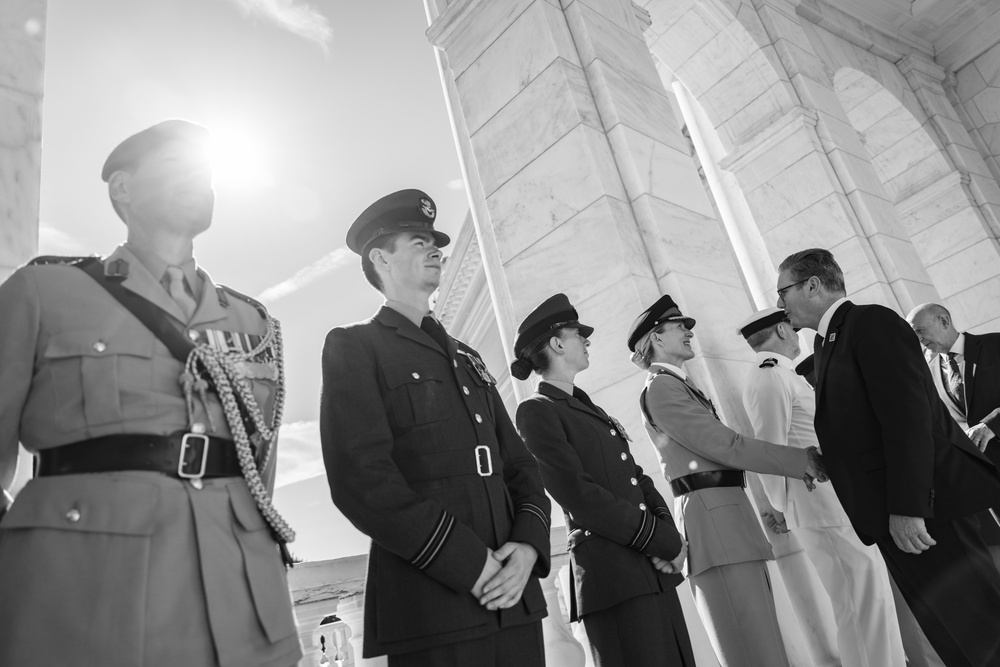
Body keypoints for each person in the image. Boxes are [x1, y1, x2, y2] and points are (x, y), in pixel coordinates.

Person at [0, 120, 301, 666]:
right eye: (176, 163)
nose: (199, 177)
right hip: (88, 594)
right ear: (123, 188)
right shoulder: (44, 292)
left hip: (243, 603)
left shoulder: (253, 321)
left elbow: (260, 470)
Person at [319, 189, 551, 666]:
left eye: (436, 242)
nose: (435, 249)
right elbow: (361, 478)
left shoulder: (468, 357)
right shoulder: (356, 346)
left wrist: (528, 546)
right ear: (380, 258)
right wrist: (467, 561)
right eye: (417, 240)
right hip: (434, 599)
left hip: (515, 595)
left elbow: (519, 464)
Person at [777, 247, 1000, 666]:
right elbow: (865, 424)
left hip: (923, 510)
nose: (779, 304)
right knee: (953, 636)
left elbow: (907, 418)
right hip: (891, 513)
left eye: (782, 291)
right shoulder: (830, 340)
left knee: (980, 626)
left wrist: (908, 506)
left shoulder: (870, 321)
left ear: (812, 285)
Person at [628, 294, 827, 667]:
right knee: (753, 649)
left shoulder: (677, 385)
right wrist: (802, 460)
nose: (689, 332)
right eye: (679, 327)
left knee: (765, 642)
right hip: (715, 527)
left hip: (728, 520)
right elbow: (726, 446)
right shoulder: (662, 388)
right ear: (656, 338)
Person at [513, 294, 695, 667]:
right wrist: (658, 538)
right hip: (613, 576)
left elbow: (636, 477)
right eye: (578, 333)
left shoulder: (585, 405)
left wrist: (668, 533)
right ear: (557, 344)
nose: (587, 340)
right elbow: (577, 495)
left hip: (647, 569)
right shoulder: (536, 411)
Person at [737, 306, 904, 667]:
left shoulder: (783, 374)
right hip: (818, 506)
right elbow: (770, 447)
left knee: (872, 595)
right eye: (792, 328)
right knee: (857, 603)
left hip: (838, 501)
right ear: (782, 331)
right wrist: (782, 507)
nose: (797, 334)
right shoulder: (769, 376)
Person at [906, 302, 1000, 569]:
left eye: (921, 331)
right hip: (988, 478)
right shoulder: (929, 371)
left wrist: (991, 424)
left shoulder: (994, 345)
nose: (919, 340)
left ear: (944, 321)